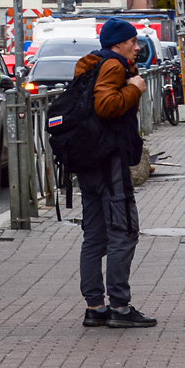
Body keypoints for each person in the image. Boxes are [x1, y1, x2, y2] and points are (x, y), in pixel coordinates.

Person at [75, 17, 156, 329]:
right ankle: (119, 306)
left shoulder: (90, 64)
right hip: (109, 162)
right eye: (133, 41)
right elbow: (107, 106)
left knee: (94, 235)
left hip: (89, 161)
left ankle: (94, 306)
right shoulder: (114, 65)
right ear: (119, 43)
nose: (137, 48)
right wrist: (134, 88)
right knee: (123, 232)